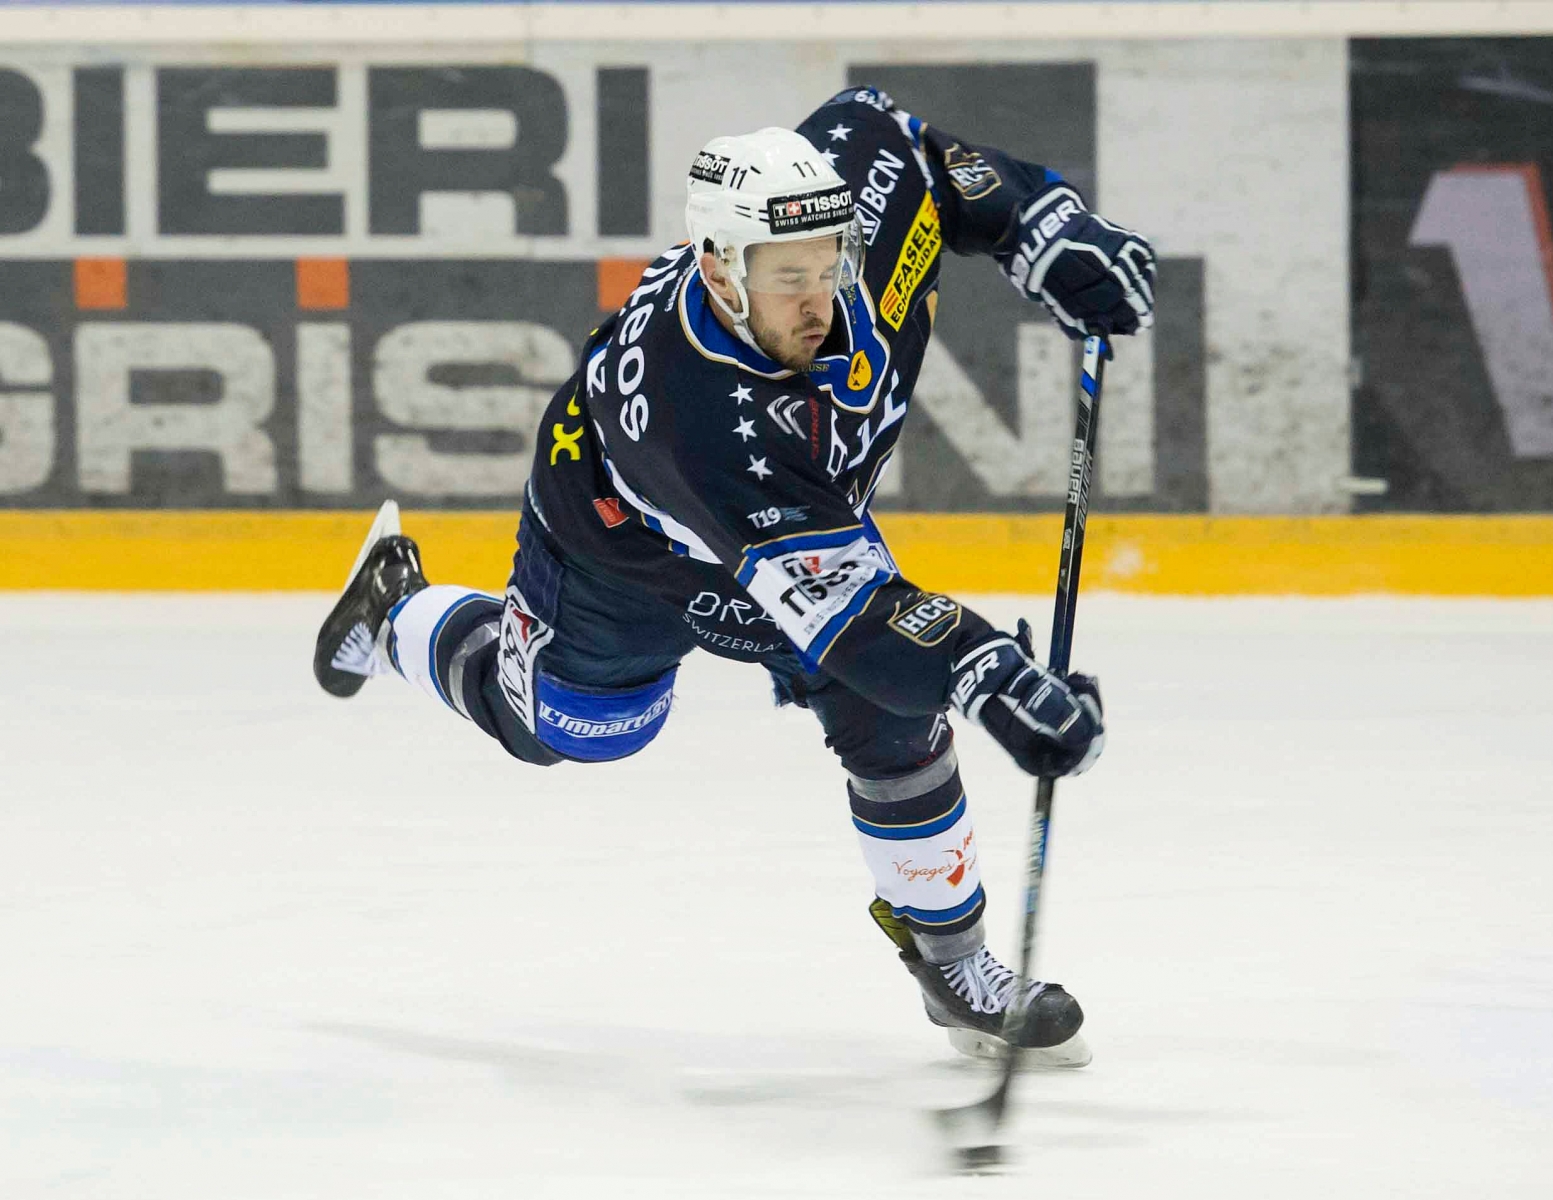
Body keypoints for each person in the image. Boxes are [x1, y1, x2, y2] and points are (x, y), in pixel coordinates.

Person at [313, 86, 1155, 1067]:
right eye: (787, 275)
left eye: (828, 263)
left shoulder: (849, 189)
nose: (819, 295)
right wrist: (994, 678)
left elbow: (924, 154)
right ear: (719, 269)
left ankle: (952, 962)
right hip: (618, 546)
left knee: (888, 715)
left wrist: (1042, 226)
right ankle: (398, 610)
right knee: (571, 731)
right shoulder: (700, 412)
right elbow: (857, 620)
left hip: (792, 518)